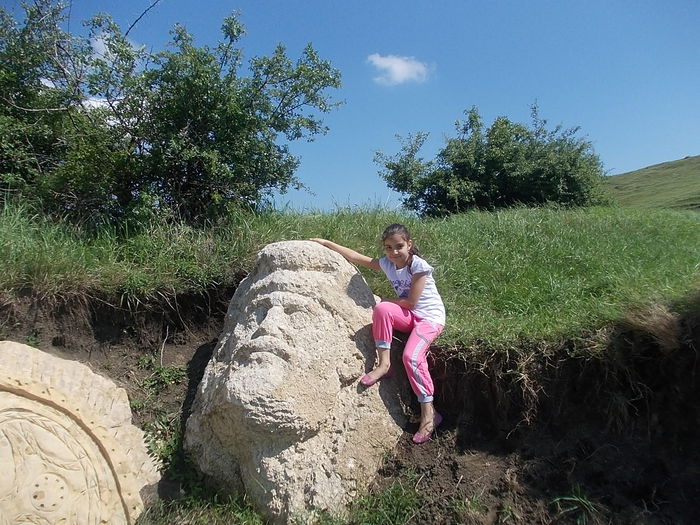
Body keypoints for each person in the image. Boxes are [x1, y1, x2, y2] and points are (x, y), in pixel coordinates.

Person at [311, 223, 446, 444]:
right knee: (382, 309)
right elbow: (356, 257)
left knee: (411, 357)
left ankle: (430, 413)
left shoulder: (418, 266)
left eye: (399, 246)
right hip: (409, 316)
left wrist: (385, 300)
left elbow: (411, 303)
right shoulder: (388, 264)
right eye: (388, 247)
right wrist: (327, 243)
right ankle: (384, 365)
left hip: (429, 319)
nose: (394, 252)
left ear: (409, 244)